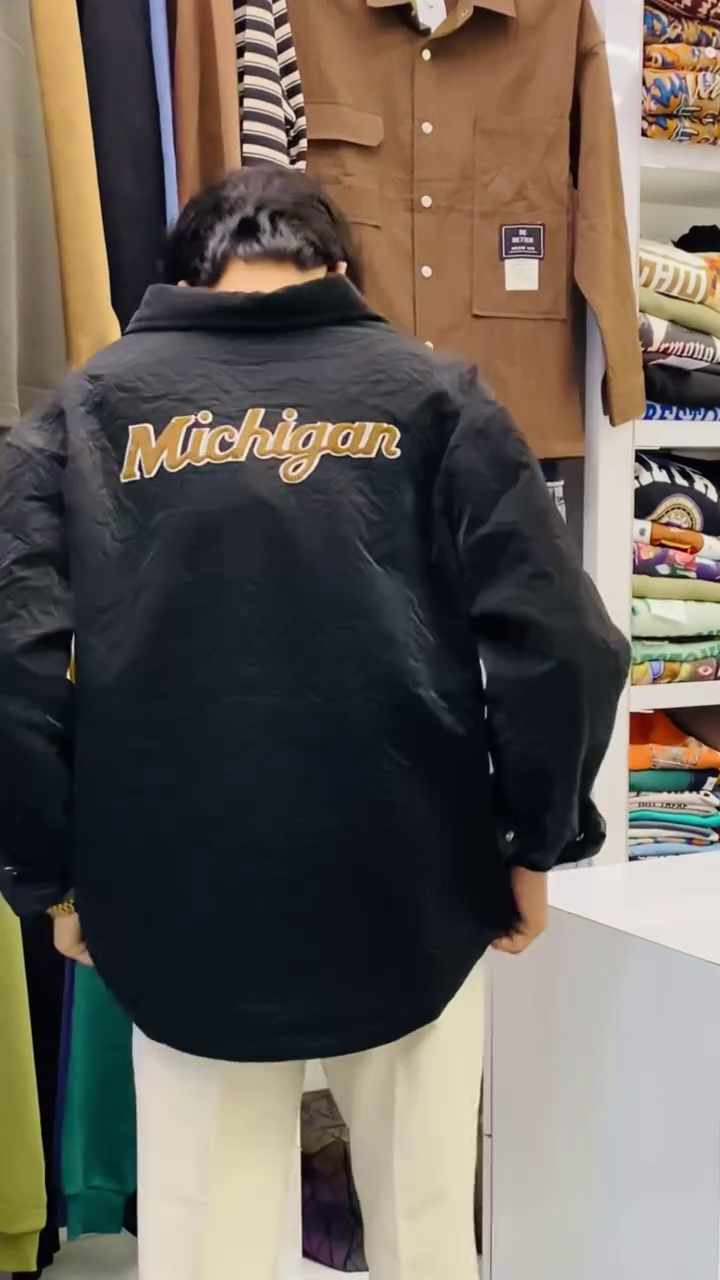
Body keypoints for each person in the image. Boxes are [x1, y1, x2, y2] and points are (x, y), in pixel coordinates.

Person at [0, 166, 629, 1280]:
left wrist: (51, 875)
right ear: (339, 269)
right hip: (414, 885)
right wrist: (536, 839)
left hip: (178, 902)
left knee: (207, 1243)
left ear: (183, 275)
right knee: (425, 1231)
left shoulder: (88, 409)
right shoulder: (434, 395)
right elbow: (565, 641)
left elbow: (14, 665)